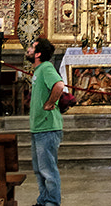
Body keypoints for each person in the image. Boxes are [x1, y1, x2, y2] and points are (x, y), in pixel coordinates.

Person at [26, 37, 65, 206]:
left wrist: (50, 103)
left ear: (38, 53)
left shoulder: (47, 67)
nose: (28, 50)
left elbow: (59, 85)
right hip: (39, 127)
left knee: (48, 170)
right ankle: (43, 200)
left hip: (48, 127)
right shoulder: (39, 69)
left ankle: (52, 203)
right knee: (39, 170)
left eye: (31, 48)